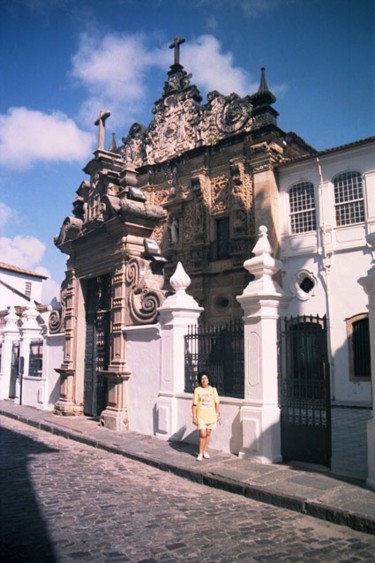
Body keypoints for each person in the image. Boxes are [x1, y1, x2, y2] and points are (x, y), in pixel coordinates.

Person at [192, 372, 220, 461]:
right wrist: (194, 417)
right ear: (200, 381)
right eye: (202, 379)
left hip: (211, 416)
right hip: (201, 417)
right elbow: (194, 405)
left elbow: (217, 403)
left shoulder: (213, 390)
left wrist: (217, 414)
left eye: (206, 378)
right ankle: (200, 453)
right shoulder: (197, 390)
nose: (204, 380)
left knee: (208, 434)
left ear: (208, 380)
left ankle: (205, 451)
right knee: (202, 434)